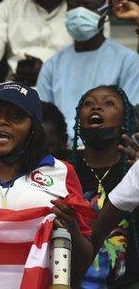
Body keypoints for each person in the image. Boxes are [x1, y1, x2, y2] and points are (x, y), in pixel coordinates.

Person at [0, 82, 94, 287]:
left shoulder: (62, 172)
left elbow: (85, 259)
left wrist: (73, 230)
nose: (2, 121)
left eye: (16, 116)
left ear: (33, 128)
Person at [36, 0, 139, 141]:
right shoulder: (52, 65)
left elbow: (131, 118)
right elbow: (43, 119)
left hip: (111, 153)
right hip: (62, 154)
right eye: (74, 5)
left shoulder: (128, 61)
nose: (79, 12)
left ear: (107, 12)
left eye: (89, 6)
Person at [69, 86, 139, 287]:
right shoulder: (61, 170)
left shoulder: (133, 170)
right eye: (88, 103)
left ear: (124, 121)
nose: (96, 107)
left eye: (109, 103)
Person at [0, 0, 73, 86]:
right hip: (17, 88)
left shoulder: (80, 3)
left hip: (66, 87)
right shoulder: (9, 6)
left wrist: (48, 73)